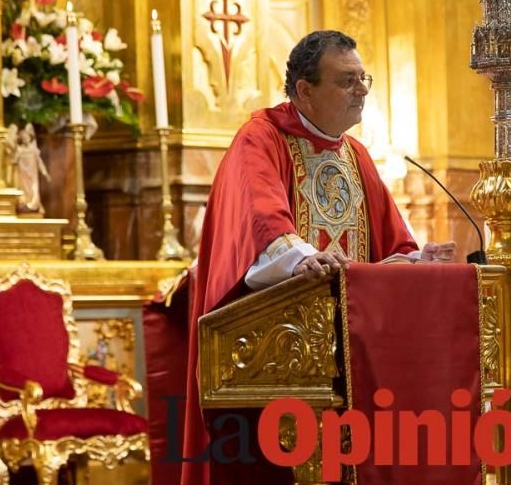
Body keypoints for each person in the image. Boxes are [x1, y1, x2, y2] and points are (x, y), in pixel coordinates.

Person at [180, 29, 456, 485]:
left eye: (363, 78)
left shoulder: (356, 155)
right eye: (347, 81)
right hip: (276, 350)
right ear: (304, 91)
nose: (362, 90)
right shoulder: (261, 138)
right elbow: (260, 218)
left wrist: (415, 261)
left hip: (354, 352)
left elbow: (391, 247)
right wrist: (301, 260)